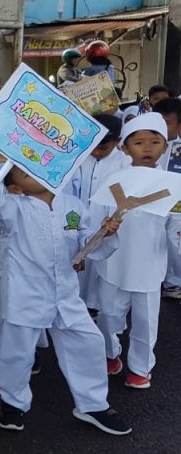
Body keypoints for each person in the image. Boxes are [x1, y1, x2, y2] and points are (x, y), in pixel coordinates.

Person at [0, 154, 130, 436]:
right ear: (15, 186)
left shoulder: (72, 205)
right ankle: (13, 404)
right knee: (17, 353)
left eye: (35, 167)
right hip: (26, 293)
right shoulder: (12, 207)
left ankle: (92, 404)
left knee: (88, 341)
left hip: (66, 294)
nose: (30, 172)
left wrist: (104, 234)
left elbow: (83, 242)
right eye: (21, 172)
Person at [95, 113, 181, 389]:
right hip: (113, 261)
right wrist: (101, 231)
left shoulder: (172, 186)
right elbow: (97, 216)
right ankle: (110, 354)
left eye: (154, 142)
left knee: (145, 322)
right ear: (124, 147)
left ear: (165, 147)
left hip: (149, 265)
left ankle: (141, 368)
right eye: (139, 142)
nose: (147, 148)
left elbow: (175, 226)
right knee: (108, 316)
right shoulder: (114, 179)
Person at [65, 114, 130, 310]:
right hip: (76, 217)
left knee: (101, 264)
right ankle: (74, 302)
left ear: (117, 142)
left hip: (106, 221)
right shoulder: (77, 156)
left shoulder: (124, 163)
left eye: (103, 147)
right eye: (92, 145)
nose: (96, 151)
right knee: (73, 259)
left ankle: (95, 305)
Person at [154, 98, 181, 300]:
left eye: (167, 123)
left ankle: (173, 282)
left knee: (174, 243)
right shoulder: (150, 141)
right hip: (152, 202)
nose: (161, 128)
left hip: (176, 206)